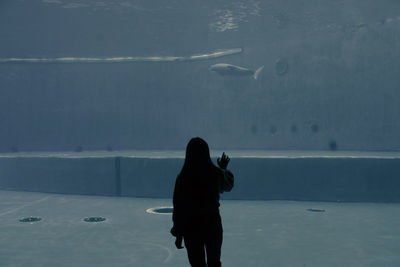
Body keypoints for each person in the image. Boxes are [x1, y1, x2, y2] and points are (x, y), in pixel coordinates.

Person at [171, 137, 234, 267]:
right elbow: (228, 185)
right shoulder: (214, 173)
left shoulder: (183, 178)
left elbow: (179, 208)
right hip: (212, 224)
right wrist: (223, 168)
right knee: (214, 262)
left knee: (197, 264)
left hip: (191, 227)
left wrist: (178, 234)